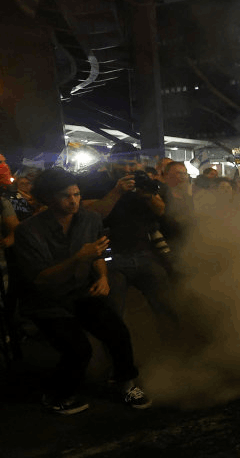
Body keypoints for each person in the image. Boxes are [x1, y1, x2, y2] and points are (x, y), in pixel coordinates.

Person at [12, 168, 151, 414]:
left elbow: (98, 253)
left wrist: (103, 277)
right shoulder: (29, 231)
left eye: (76, 194)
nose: (73, 201)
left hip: (79, 292)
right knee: (78, 349)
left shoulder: (89, 219)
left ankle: (126, 384)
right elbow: (41, 279)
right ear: (48, 198)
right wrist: (78, 258)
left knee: (117, 331)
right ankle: (57, 395)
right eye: (66, 196)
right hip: (46, 300)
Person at [79, 143, 176, 322]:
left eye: (131, 164)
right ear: (110, 163)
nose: (126, 169)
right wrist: (117, 191)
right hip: (109, 258)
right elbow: (92, 215)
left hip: (143, 253)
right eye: (121, 163)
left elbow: (161, 211)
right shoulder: (93, 181)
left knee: (167, 304)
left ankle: (173, 343)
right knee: (113, 314)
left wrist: (147, 195)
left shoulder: (141, 180)